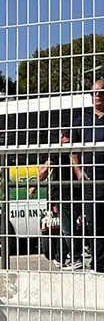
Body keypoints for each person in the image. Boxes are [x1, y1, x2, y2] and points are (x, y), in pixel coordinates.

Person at [33, 130, 83, 269]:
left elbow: (45, 169)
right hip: (73, 193)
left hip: (64, 193)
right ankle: (60, 257)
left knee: (68, 228)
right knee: (68, 227)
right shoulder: (79, 148)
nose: (61, 139)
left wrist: (34, 185)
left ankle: (75, 257)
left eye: (63, 136)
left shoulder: (61, 150)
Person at [70, 79, 104, 273]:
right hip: (92, 181)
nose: (97, 95)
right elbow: (72, 148)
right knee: (95, 225)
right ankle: (98, 267)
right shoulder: (81, 119)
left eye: (101, 92)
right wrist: (78, 170)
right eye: (93, 93)